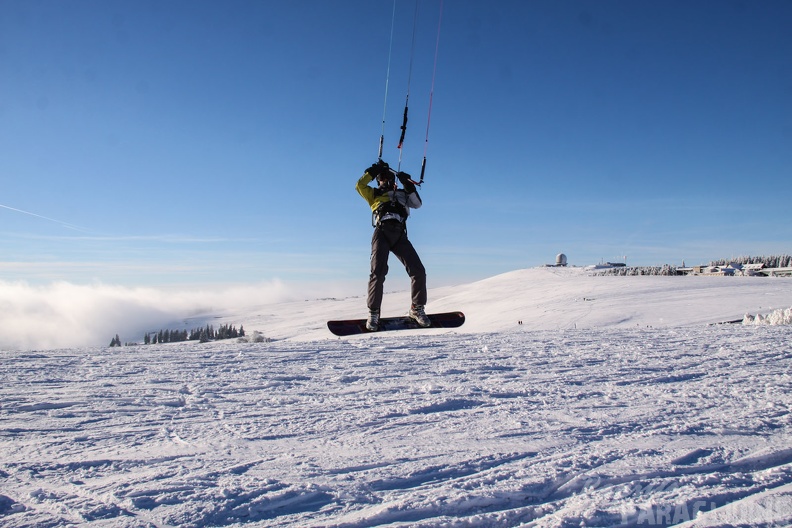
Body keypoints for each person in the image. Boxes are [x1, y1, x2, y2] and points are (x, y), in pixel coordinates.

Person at [356, 160, 430, 331]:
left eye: (387, 177)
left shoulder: (403, 194)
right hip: (382, 232)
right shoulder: (373, 194)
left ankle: (417, 309)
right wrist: (373, 170)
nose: (385, 180)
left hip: (399, 235)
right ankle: (373, 312)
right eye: (381, 178)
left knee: (418, 270)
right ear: (378, 180)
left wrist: (408, 184)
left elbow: (417, 204)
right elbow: (359, 185)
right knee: (378, 272)